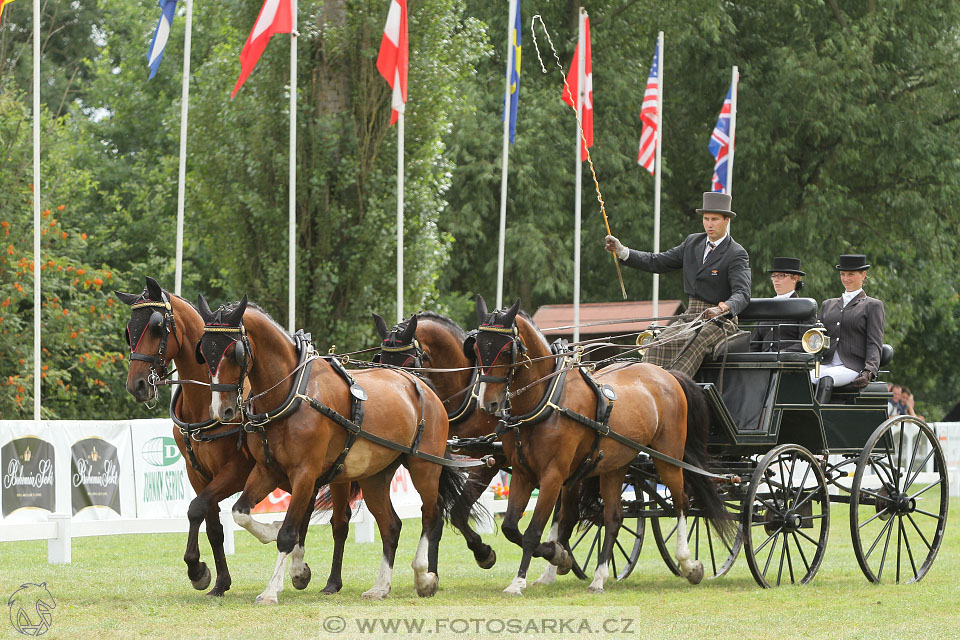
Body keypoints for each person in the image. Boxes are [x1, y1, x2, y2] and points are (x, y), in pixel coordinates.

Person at [604, 192, 751, 377]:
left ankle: (676, 390)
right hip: (690, 316)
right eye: (706, 219)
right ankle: (645, 385)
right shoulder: (692, 242)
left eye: (714, 219)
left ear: (726, 220)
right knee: (657, 344)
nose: (709, 224)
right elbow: (657, 261)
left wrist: (723, 308)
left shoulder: (736, 253)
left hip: (720, 320)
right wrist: (623, 251)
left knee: (693, 342)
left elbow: (742, 293)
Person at [810, 254, 885, 404]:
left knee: (826, 378)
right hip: (825, 363)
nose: (846, 278)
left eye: (851, 274)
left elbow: (874, 342)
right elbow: (816, 337)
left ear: (863, 275)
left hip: (851, 366)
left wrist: (869, 371)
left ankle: (816, 418)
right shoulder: (828, 304)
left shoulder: (872, 306)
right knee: (802, 378)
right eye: (843, 274)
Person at [750, 257, 811, 352]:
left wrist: (781, 354)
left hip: (789, 363)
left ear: (795, 278)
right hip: (763, 364)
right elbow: (754, 345)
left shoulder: (804, 308)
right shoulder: (765, 307)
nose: (776, 280)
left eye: (781, 276)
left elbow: (806, 342)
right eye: (774, 276)